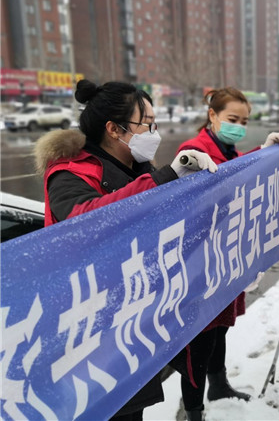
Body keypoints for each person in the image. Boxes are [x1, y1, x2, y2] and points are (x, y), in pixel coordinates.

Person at [34, 79, 218, 420]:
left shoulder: (134, 166)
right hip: (90, 330)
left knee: (132, 408)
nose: (153, 131)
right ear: (114, 129)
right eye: (146, 124)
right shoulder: (68, 174)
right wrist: (165, 179)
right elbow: (90, 221)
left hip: (132, 315)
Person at [168, 87, 279, 421]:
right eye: (232, 119)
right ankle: (193, 411)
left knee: (219, 326)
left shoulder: (225, 148)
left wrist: (263, 153)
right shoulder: (195, 152)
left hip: (223, 257)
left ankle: (219, 384)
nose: (238, 125)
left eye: (244, 120)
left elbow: (236, 172)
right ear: (212, 115)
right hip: (200, 265)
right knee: (200, 340)